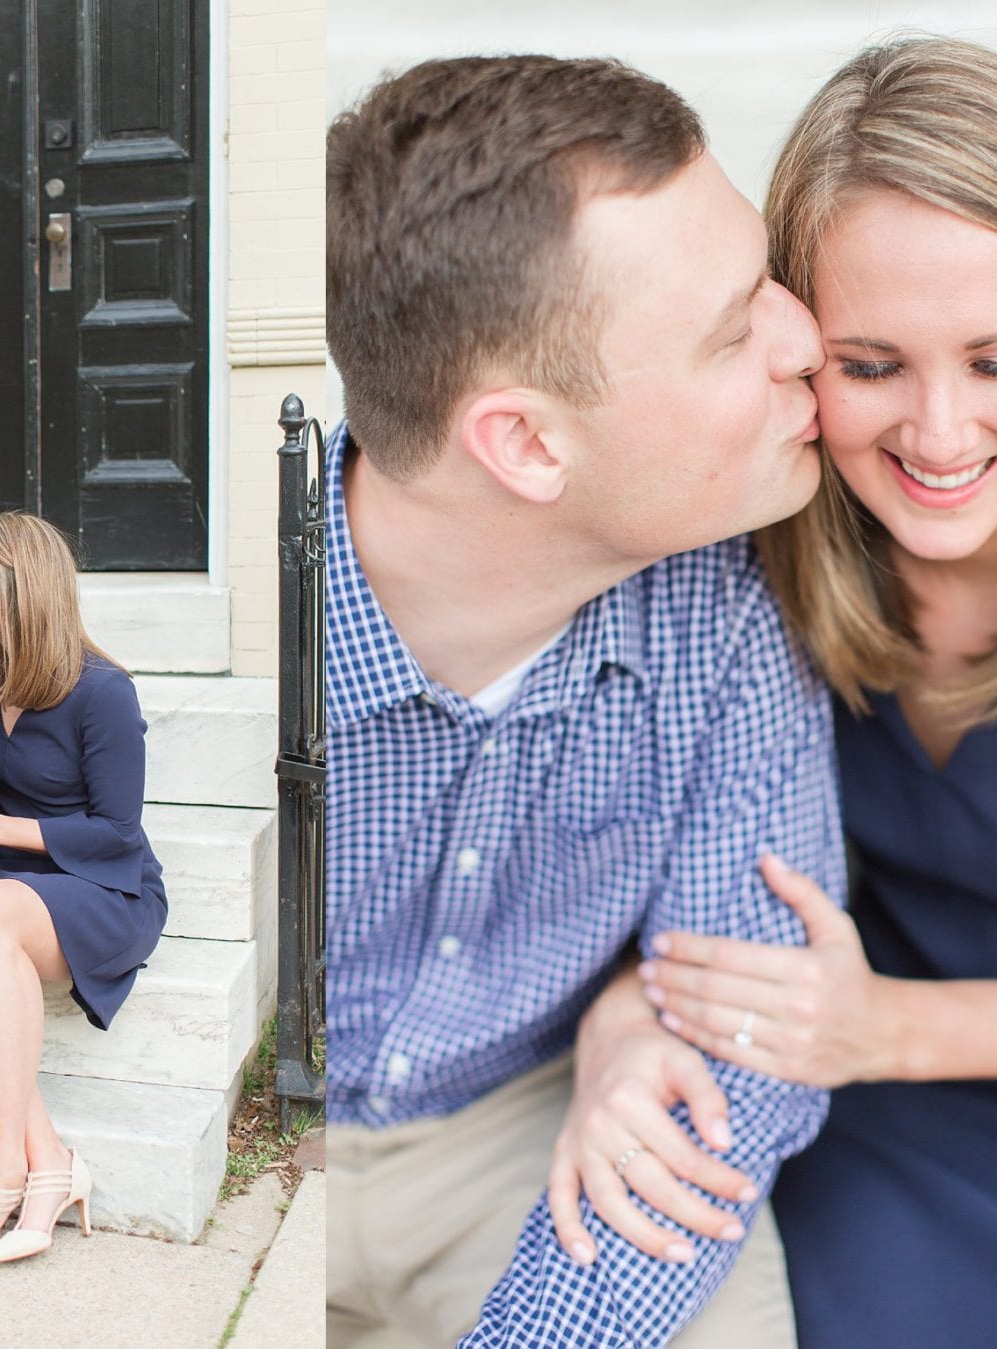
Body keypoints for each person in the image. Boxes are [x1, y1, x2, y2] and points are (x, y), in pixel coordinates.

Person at [608, 37, 997, 1346]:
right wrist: (622, 1014)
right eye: (871, 365)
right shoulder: (745, 548)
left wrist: (888, 1027)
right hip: (847, 1119)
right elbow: (616, 844)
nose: (938, 436)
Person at [325, 55, 847, 1346]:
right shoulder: (242, 664)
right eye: (735, 332)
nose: (807, 341)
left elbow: (744, 1024)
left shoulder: (726, 602)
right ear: (528, 444)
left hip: (542, 1127)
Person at [0, 511, 166, 1265]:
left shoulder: (103, 692)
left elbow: (117, 831)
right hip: (14, 882)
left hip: (104, 885)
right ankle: (49, 1158)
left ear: (22, 588)